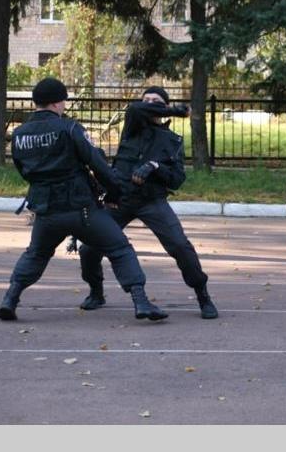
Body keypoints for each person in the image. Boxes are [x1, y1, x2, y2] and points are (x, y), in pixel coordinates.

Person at [0, 77, 168, 322]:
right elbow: (98, 164)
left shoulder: (19, 134)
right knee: (120, 248)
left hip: (46, 210)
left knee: (36, 254)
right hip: (81, 209)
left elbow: (23, 170)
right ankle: (141, 301)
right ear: (57, 103)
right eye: (63, 101)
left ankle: (10, 299)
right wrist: (114, 194)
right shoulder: (70, 128)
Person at [78, 86, 218, 319]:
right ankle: (96, 292)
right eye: (146, 100)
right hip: (120, 199)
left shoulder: (172, 140)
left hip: (152, 201)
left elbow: (177, 180)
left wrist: (155, 167)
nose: (149, 104)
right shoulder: (132, 125)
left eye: (155, 101)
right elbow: (135, 108)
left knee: (180, 246)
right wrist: (175, 110)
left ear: (163, 106)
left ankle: (202, 294)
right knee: (88, 248)